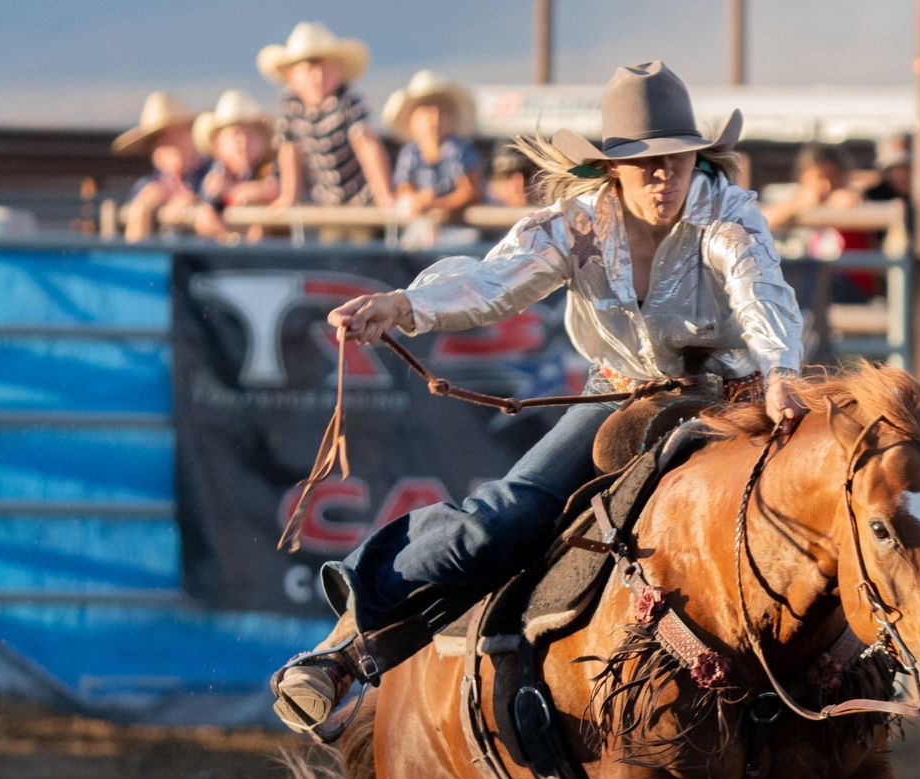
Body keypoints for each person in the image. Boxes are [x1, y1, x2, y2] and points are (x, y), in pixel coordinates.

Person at [269, 60, 807, 735]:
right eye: (647, 163)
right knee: (502, 522)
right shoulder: (574, 226)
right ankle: (356, 633)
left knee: (821, 511)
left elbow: (762, 292)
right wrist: (404, 304)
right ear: (614, 168)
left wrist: (781, 368)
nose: (666, 175)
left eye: (678, 158)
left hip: (734, 398)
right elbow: (495, 283)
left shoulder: (728, 213)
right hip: (624, 397)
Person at [258, 22, 393, 209]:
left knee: (361, 236)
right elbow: (289, 152)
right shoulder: (290, 109)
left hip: (363, 201)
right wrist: (289, 197)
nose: (318, 77)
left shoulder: (348, 103)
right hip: (324, 203)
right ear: (291, 75)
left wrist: (384, 195)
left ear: (339, 70)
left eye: (325, 68)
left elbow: (367, 145)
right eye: (308, 69)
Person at [762, 143, 879, 301]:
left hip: (848, 289)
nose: (827, 185)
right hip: (810, 287)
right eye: (820, 178)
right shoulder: (795, 203)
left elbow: (848, 201)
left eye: (835, 176)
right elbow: (762, 219)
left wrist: (822, 203)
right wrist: (798, 206)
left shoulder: (848, 198)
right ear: (804, 179)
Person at [386, 70, 483, 220]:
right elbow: (403, 188)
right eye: (426, 111)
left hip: (458, 230)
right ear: (411, 122)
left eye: (441, 112)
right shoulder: (409, 153)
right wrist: (417, 199)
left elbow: (470, 192)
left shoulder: (458, 149)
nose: (435, 118)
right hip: (422, 228)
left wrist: (435, 204)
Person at [114, 92, 206, 243]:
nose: (171, 144)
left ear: (192, 133)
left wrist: (197, 201)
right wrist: (144, 207)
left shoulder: (213, 174)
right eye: (160, 139)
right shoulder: (146, 186)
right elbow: (136, 247)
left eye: (177, 133)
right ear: (154, 151)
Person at [191, 91, 279, 241]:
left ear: (264, 141)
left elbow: (274, 189)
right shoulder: (216, 176)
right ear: (217, 147)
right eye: (235, 135)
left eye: (251, 134)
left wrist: (231, 190)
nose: (243, 142)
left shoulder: (271, 167)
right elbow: (206, 216)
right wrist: (230, 237)